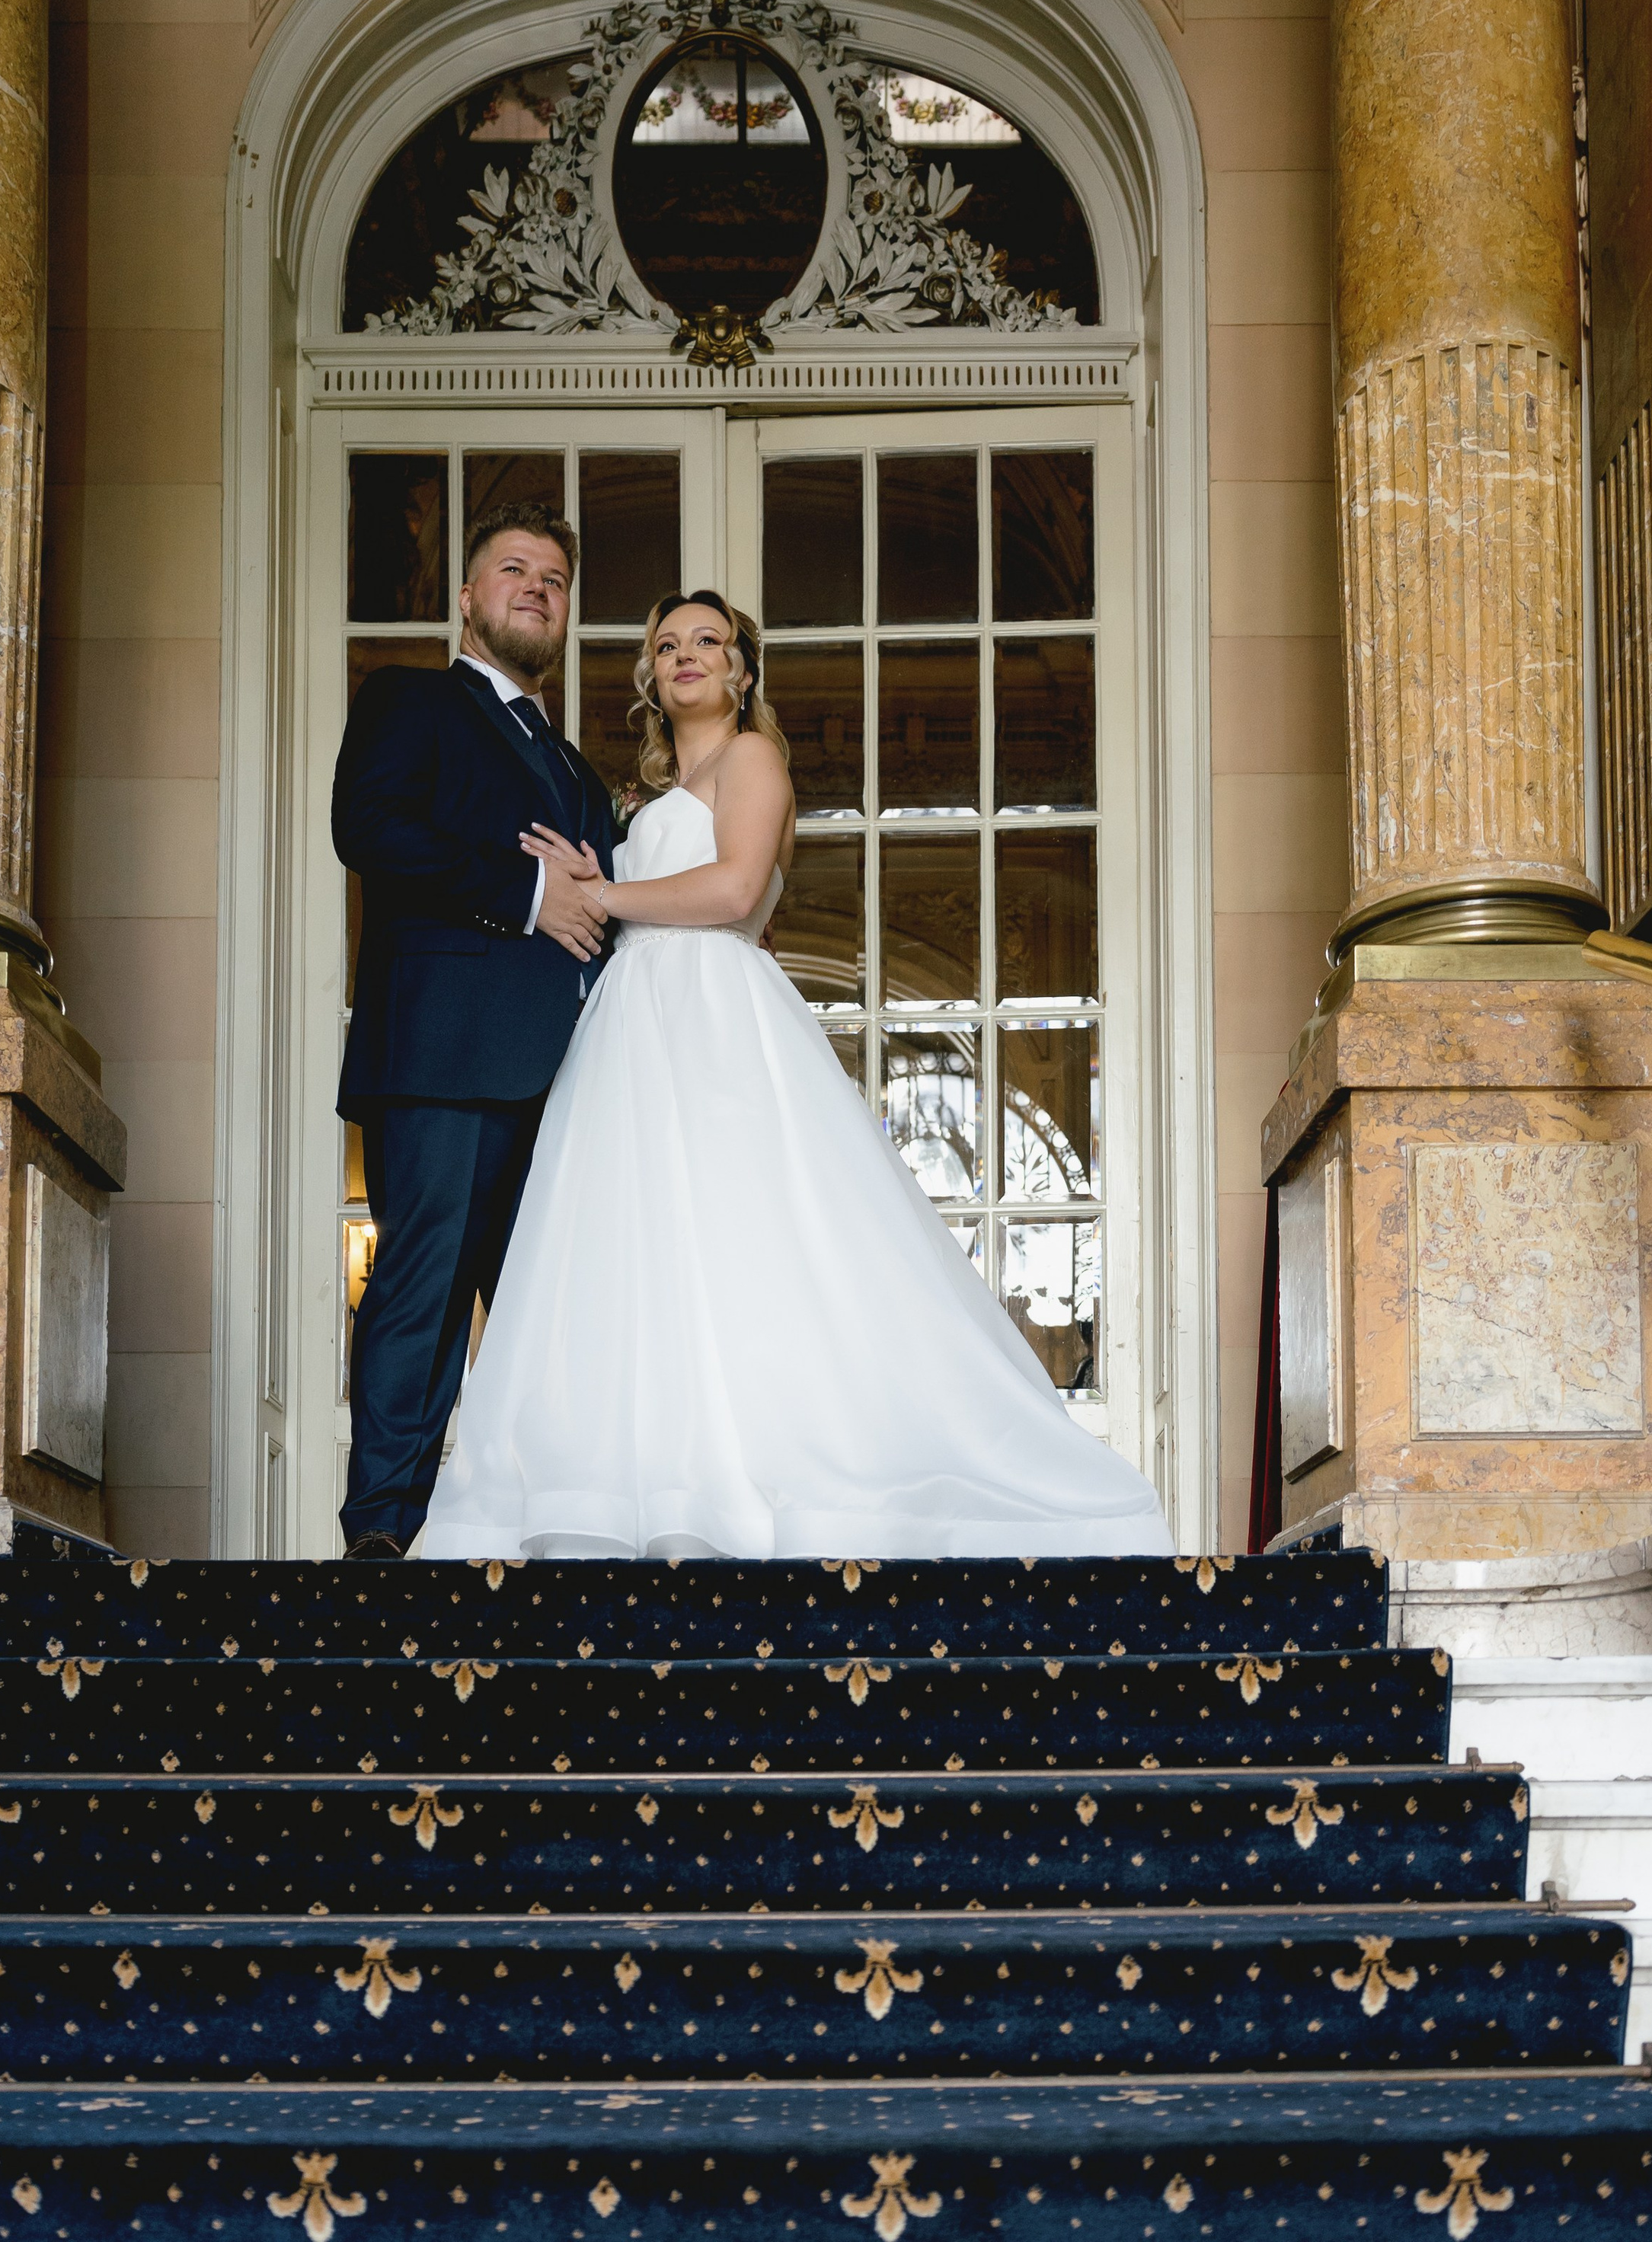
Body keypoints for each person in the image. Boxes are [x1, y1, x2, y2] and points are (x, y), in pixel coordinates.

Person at [423, 588, 1174, 1560]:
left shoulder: (754, 757)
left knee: (747, 1236)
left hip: (712, 1013)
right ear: (648, 677)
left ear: (741, 672)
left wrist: (601, 889)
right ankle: (653, 1483)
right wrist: (597, 867)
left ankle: (765, 1479)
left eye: (710, 642)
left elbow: (735, 887)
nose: (687, 654)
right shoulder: (635, 801)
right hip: (633, 1027)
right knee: (643, 1251)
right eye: (666, 644)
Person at [331, 502, 621, 1559]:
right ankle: (385, 1533)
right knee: (424, 1286)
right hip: (443, 1054)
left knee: (551, 1316)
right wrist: (527, 891)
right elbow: (368, 827)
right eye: (514, 569)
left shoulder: (582, 773)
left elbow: (600, 912)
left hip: (564, 1081)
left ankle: (548, 1531)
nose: (538, 587)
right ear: (468, 597)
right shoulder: (411, 701)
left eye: (554, 577)